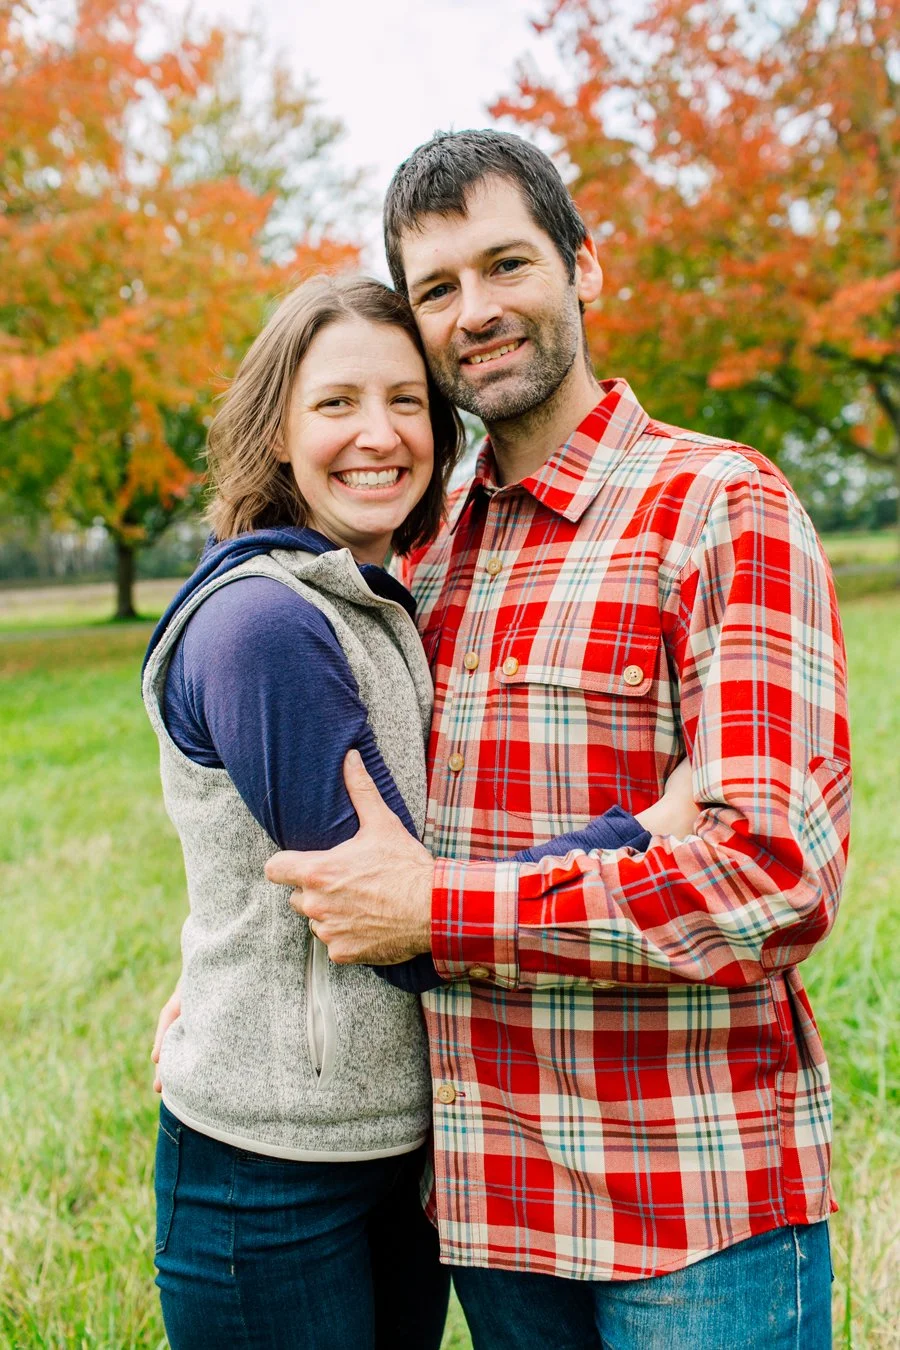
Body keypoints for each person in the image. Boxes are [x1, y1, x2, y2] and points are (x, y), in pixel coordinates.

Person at [266, 131, 851, 1349]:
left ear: (585, 268)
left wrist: (444, 912)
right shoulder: (420, 557)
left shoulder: (717, 506)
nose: (474, 312)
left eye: (506, 265)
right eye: (436, 288)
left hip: (693, 1213)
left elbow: (773, 876)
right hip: (490, 1214)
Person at [144, 273, 698, 1349]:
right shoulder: (264, 625)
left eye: (406, 401)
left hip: (401, 1151)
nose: (378, 434)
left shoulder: (383, 598)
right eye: (336, 403)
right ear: (276, 431)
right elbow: (394, 917)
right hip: (272, 1173)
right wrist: (643, 832)